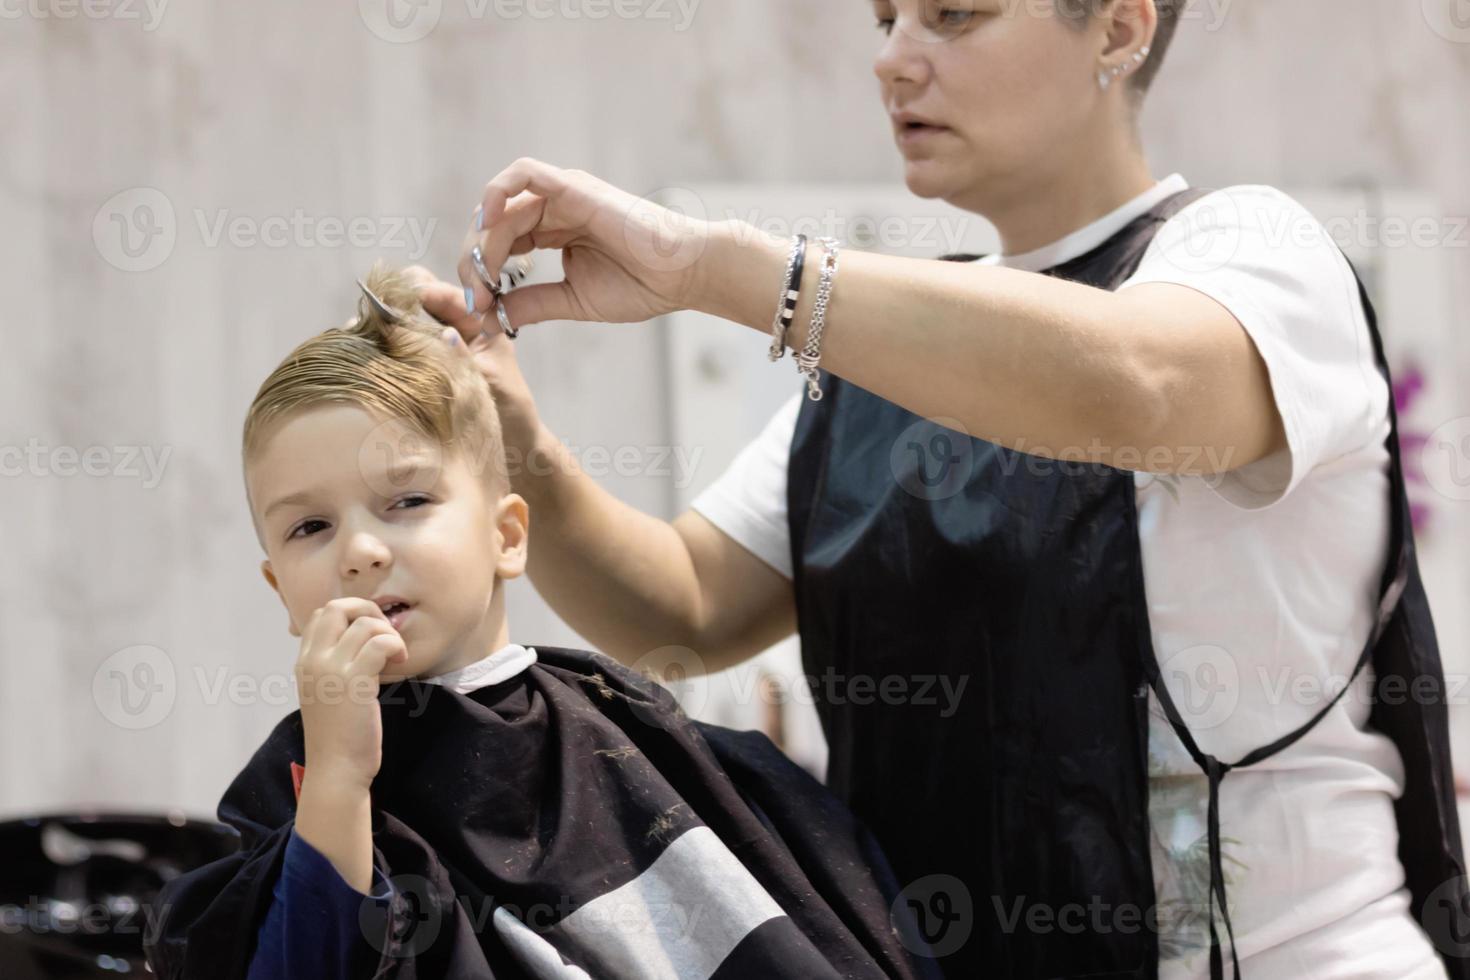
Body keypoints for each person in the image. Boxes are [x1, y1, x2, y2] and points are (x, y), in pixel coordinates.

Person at [405, 1, 1469, 977]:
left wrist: (711, 268)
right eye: (885, 17)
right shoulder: (878, 364)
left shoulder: (1254, 254)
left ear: (1117, 27)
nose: (892, 58)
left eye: (953, 14)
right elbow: (678, 605)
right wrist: (514, 433)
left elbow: (1134, 385)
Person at [141, 264, 942, 980]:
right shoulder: (302, 782)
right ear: (279, 587)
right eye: (308, 528)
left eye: (408, 502)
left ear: (507, 536)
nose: (359, 551)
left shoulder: (624, 726)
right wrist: (340, 784)